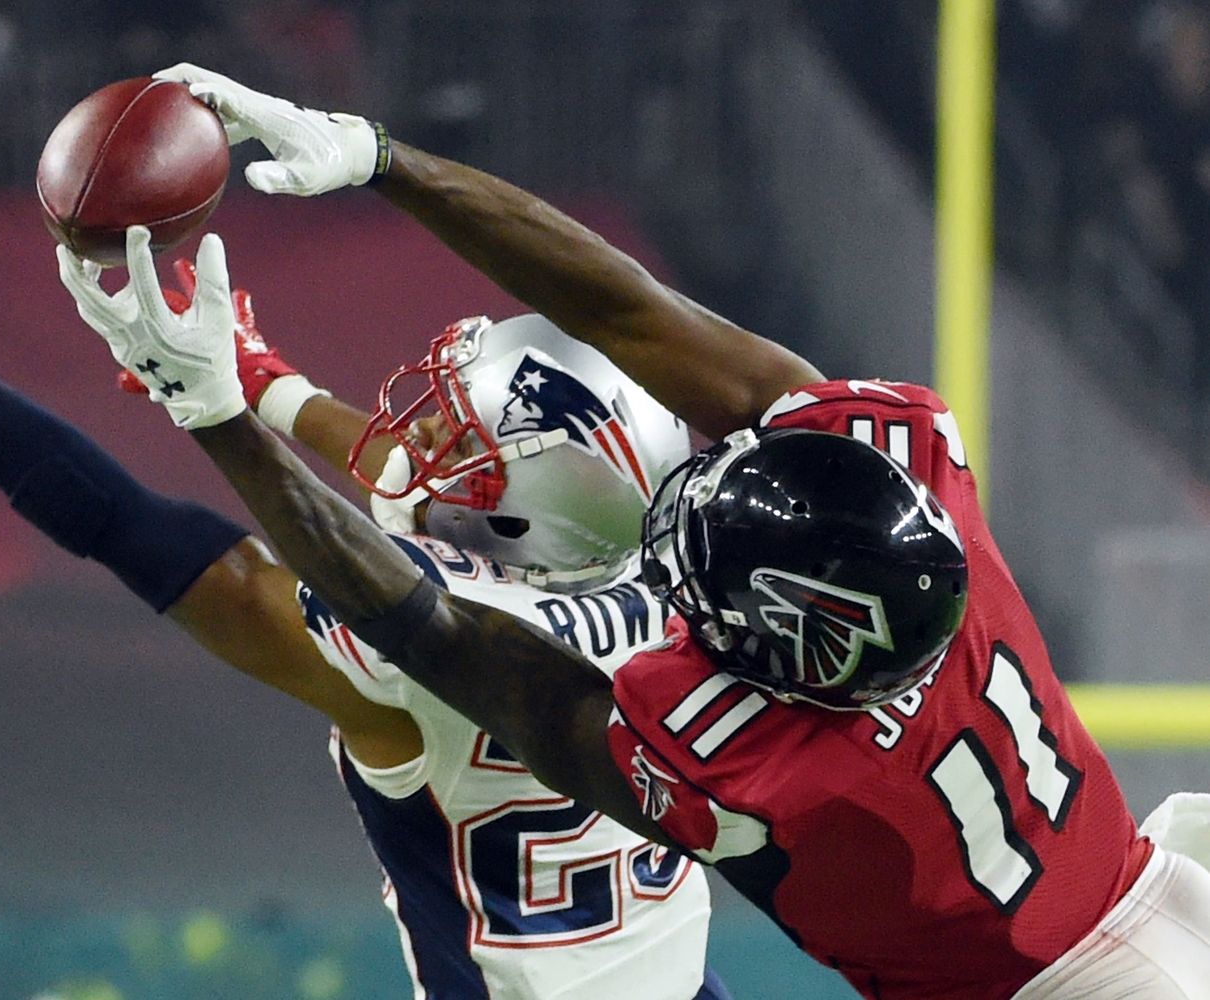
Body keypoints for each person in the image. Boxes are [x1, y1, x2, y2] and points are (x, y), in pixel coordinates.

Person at [81, 65, 1210, 1000]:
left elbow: (431, 634)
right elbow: (623, 315)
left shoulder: (744, 765)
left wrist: (217, 415)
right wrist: (376, 159)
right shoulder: (905, 482)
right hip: (1158, 897)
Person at [0, 248, 729, 999]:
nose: (423, 436)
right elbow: (428, 481)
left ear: (522, 503)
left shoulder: (432, 649)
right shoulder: (681, 569)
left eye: (456, 437)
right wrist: (266, 382)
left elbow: (130, 526)